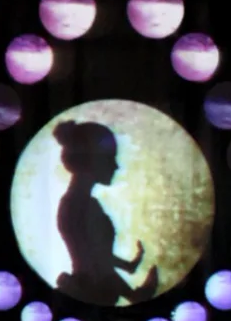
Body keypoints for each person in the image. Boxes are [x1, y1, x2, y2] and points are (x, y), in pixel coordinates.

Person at [53, 121, 158, 305]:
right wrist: (134, 293)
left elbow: (97, 256)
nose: (116, 166)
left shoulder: (78, 203)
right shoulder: (81, 205)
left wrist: (128, 268)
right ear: (93, 160)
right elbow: (99, 263)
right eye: (110, 158)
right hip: (93, 294)